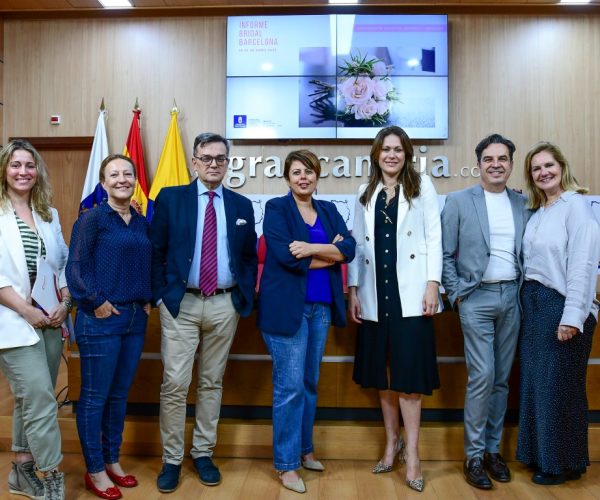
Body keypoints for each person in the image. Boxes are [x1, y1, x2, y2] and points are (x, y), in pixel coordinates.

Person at [150, 132, 257, 493]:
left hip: (225, 304)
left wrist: (241, 296)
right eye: (206, 158)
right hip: (182, 302)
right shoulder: (171, 198)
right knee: (176, 383)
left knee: (212, 381)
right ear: (194, 162)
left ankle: (203, 453)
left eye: (220, 158)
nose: (214, 164)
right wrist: (162, 296)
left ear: (228, 163)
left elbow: (245, 257)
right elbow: (157, 250)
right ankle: (172, 459)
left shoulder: (242, 205)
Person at [348, 126, 442, 493]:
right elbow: (356, 245)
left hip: (412, 294)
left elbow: (434, 237)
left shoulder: (423, 187)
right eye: (385, 149)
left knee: (408, 378)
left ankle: (414, 454)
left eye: (398, 149)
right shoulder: (364, 192)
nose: (391, 155)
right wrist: (353, 289)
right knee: (382, 377)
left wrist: (433, 283)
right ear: (376, 154)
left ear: (407, 154)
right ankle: (392, 443)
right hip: (374, 294)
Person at [258, 149, 355, 494]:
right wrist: (330, 250)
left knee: (310, 383)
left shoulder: (328, 210)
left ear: (317, 176)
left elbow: (351, 249)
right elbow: (286, 256)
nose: (304, 177)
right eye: (297, 172)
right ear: (287, 177)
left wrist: (311, 248)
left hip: (321, 308)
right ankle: (286, 465)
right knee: (289, 387)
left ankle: (304, 449)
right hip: (288, 310)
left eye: (310, 172)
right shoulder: (276, 209)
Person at [441, 133, 530, 490]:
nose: (496, 164)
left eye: (503, 159)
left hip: (513, 296)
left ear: (510, 163)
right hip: (475, 299)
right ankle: (474, 455)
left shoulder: (523, 203)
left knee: (501, 379)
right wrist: (458, 294)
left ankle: (494, 452)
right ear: (478, 164)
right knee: (482, 375)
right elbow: (447, 254)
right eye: (489, 159)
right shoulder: (459, 201)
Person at [66, 154, 152, 500]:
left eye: (127, 174)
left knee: (118, 396)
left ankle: (112, 460)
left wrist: (148, 297)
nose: (122, 179)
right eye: (114, 174)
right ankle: (95, 469)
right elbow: (76, 269)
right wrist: (96, 302)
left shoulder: (142, 221)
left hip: (134, 319)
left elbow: (148, 262)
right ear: (103, 183)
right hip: (100, 319)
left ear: (134, 180)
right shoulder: (92, 220)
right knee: (95, 397)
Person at [516, 142, 600, 485]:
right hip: (534, 305)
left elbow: (582, 266)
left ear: (562, 167)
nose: (543, 172)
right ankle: (569, 459)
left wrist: (572, 317)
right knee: (542, 386)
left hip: (562, 304)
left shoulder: (576, 207)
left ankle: (558, 465)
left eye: (549, 165)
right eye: (536, 168)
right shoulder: (540, 211)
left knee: (557, 387)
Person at [0, 139, 69, 500]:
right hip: (13, 322)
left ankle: (22, 471)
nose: (23, 172)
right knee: (41, 397)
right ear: (4, 169)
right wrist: (25, 309)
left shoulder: (49, 214)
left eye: (29, 165)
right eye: (15, 165)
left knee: (29, 398)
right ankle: (52, 474)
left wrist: (65, 302)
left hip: (50, 322)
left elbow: (59, 266)